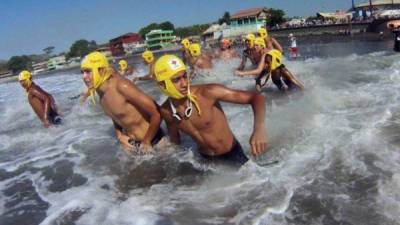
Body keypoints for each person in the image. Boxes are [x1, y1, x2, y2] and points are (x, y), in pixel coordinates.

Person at [154, 54, 267, 167]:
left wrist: (259, 129)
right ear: (163, 84)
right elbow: (175, 142)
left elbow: (256, 98)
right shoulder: (167, 111)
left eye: (185, 76)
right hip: (205, 160)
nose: (184, 83)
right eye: (176, 80)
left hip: (231, 153)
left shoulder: (207, 93)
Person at [80, 51, 164, 153]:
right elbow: (115, 114)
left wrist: (146, 141)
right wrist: (119, 135)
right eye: (82, 72)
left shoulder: (122, 87)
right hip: (130, 143)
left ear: (101, 70)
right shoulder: (100, 93)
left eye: (88, 71)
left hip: (154, 141)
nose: (83, 77)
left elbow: (157, 112)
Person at [235, 38, 304, 92]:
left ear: (262, 46)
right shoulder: (270, 50)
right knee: (296, 86)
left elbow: (258, 70)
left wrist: (242, 73)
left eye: (257, 45)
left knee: (284, 89)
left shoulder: (264, 54)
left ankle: (259, 97)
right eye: (254, 45)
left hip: (275, 72)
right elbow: (280, 52)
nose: (254, 47)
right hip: (283, 68)